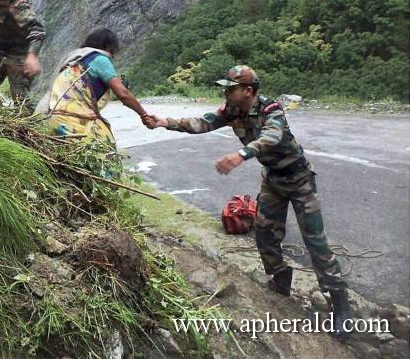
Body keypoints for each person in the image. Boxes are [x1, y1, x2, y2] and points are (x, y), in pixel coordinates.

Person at [145, 65, 353, 338]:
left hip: (299, 179)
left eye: (230, 88)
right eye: (226, 88)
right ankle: (280, 279)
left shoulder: (271, 109)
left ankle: (340, 303)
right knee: (265, 232)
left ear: (248, 91)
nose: (226, 93)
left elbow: (272, 137)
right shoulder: (231, 111)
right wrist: (164, 122)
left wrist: (242, 154)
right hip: (273, 181)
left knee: (315, 240)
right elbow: (201, 122)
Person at [44, 28, 150, 146]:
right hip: (72, 120)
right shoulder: (99, 59)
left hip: (53, 120)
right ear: (109, 46)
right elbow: (123, 94)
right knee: (105, 147)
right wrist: (143, 114)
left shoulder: (76, 61)